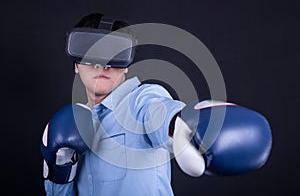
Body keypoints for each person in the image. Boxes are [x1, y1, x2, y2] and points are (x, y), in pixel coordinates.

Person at [40, 12, 273, 196]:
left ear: (127, 65)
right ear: (76, 65)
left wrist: (184, 127)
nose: (102, 66)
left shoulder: (141, 100)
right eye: (91, 54)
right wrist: (60, 166)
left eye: (114, 54)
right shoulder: (71, 122)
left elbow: (161, 112)